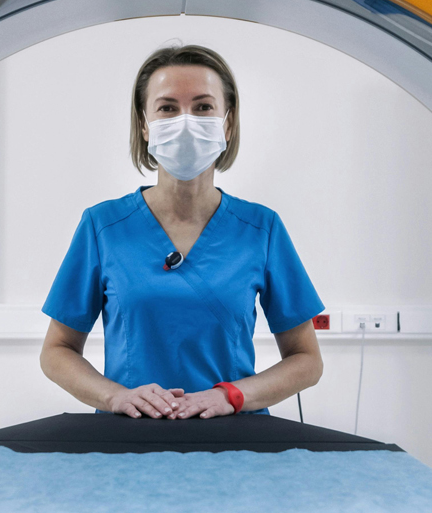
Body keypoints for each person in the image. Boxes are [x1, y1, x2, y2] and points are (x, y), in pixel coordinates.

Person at [39, 44, 325, 420]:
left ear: (228, 121)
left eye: (203, 107)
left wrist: (232, 396)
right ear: (144, 123)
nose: (186, 120)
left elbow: (306, 360)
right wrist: (114, 397)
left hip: (234, 439)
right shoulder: (103, 227)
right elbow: (56, 351)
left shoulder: (261, 228)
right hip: (129, 438)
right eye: (168, 108)